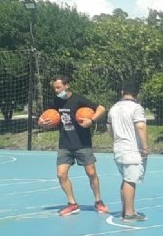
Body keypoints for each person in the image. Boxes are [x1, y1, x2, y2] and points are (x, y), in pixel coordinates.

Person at [38, 75, 109, 217]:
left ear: (67, 85)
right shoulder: (56, 101)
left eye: (58, 87)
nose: (57, 90)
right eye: (54, 88)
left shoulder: (78, 99)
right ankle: (72, 204)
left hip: (82, 143)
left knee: (91, 173)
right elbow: (46, 116)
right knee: (61, 174)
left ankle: (98, 201)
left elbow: (101, 108)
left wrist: (92, 121)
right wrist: (41, 121)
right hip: (65, 144)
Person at [106, 80, 149, 222]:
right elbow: (140, 127)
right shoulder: (136, 108)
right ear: (136, 94)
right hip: (132, 149)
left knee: (125, 179)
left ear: (122, 92)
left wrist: (117, 139)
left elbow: (109, 129)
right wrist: (144, 147)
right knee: (130, 181)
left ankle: (126, 210)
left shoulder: (113, 108)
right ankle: (129, 214)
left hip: (119, 148)